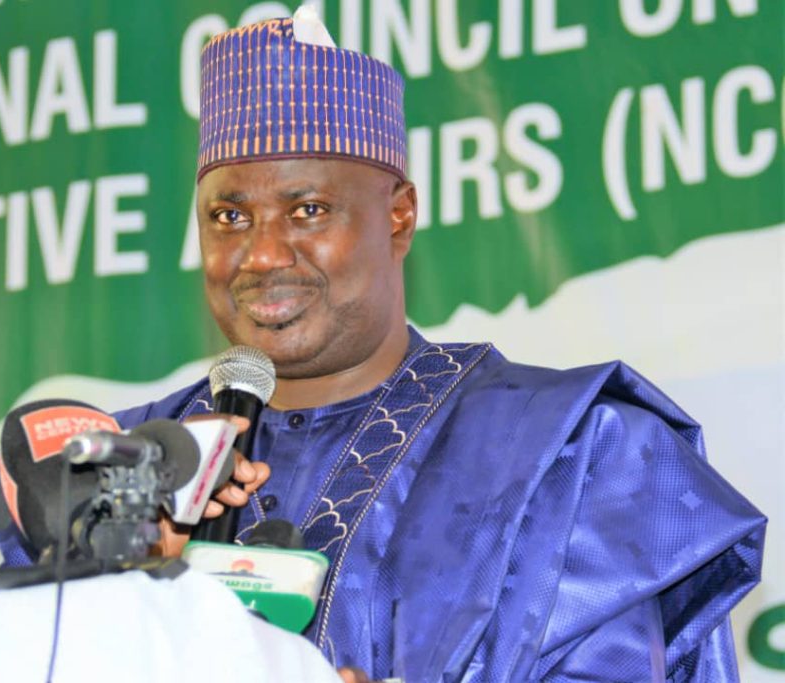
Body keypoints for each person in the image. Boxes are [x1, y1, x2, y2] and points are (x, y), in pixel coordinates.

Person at [115, 10, 766, 681]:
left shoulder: (570, 452)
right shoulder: (118, 462)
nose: (262, 255)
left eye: (308, 210)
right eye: (230, 217)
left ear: (399, 216)